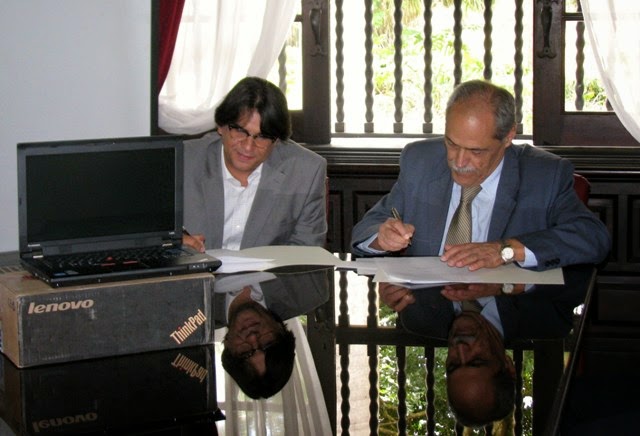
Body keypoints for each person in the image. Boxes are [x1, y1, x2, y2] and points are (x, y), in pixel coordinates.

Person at [351, 79, 610, 273]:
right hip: (429, 312)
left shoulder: (543, 175)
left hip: (508, 312)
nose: (458, 161)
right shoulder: (421, 161)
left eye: (476, 151)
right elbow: (366, 229)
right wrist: (381, 238)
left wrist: (506, 250)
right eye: (451, 144)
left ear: (508, 136)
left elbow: (593, 238)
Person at [379, 264, 593, 427]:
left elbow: (390, 250)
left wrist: (387, 278)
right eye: (476, 360)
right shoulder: (546, 320)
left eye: (453, 364)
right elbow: (585, 277)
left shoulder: (420, 317)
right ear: (507, 365)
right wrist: (505, 285)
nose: (460, 348)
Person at [182, 76, 327, 252]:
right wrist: (173, 244)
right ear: (220, 126)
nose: (248, 146)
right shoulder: (182, 161)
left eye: (262, 136)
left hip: (270, 270)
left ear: (277, 141)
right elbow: (154, 235)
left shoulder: (306, 171)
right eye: (239, 131)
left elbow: (306, 251)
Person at [216, 268, 331, 399]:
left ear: (228, 346)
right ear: (280, 330)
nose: (253, 338)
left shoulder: (198, 310)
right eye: (266, 344)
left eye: (245, 352)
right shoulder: (309, 289)